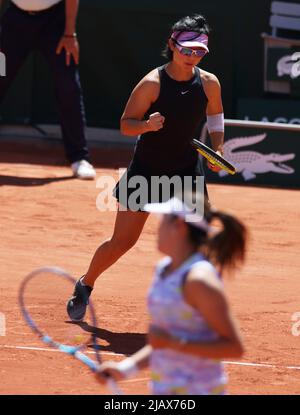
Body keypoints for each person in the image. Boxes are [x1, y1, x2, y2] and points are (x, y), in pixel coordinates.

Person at [67, 14, 225, 320]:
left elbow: (216, 116)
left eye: (199, 51)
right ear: (172, 45)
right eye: (187, 50)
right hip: (147, 172)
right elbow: (126, 125)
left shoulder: (209, 83)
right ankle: (86, 283)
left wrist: (216, 148)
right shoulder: (151, 84)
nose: (193, 56)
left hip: (186, 173)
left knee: (197, 241)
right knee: (122, 242)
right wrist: (147, 125)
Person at [95, 194, 247, 395]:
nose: (157, 228)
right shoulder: (163, 270)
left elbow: (234, 347)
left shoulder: (199, 280)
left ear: (180, 225)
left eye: (162, 220)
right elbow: (162, 341)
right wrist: (126, 368)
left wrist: (175, 343)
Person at [0, 0, 96, 179]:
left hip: (55, 24)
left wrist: (69, 33)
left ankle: (79, 157)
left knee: (68, 85)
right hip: (14, 22)